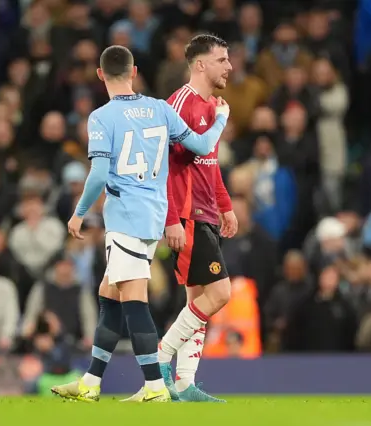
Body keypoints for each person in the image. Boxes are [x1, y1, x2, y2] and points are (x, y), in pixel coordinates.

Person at [51, 45, 229, 402]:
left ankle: (154, 386)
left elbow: (99, 173)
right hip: (153, 216)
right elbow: (199, 145)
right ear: (134, 72)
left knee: (133, 300)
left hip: (126, 218)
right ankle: (90, 382)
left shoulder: (101, 117)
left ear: (100, 75)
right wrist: (221, 120)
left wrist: (80, 211)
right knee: (109, 294)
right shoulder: (160, 109)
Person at [160, 34, 238, 403]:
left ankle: (185, 383)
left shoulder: (211, 106)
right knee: (220, 293)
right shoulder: (179, 104)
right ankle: (161, 357)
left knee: (198, 300)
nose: (230, 67)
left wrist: (226, 205)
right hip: (189, 214)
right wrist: (172, 219)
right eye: (222, 60)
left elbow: (209, 164)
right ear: (200, 64)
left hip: (206, 211)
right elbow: (167, 167)